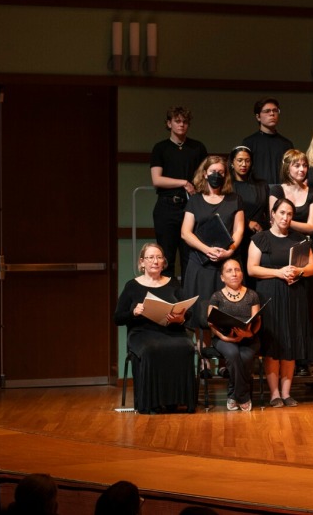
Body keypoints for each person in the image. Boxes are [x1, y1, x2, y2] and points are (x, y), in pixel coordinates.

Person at [248, 197, 313, 408]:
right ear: (273, 214)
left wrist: (299, 271)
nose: (286, 217)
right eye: (282, 213)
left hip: (294, 295)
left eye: (289, 214)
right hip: (270, 295)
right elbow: (252, 268)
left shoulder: (299, 239)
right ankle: (274, 393)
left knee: (291, 344)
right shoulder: (260, 239)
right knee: (273, 345)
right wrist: (278, 272)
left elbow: (312, 268)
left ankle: (286, 393)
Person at [114, 243, 196, 413]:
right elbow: (118, 318)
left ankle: (177, 400)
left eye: (159, 257)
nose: (155, 261)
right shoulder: (132, 286)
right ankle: (151, 402)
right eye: (150, 257)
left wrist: (181, 317)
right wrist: (133, 312)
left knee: (185, 346)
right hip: (142, 333)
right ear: (142, 262)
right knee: (152, 349)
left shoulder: (172, 282)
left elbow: (188, 312)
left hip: (171, 330)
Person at [180, 156, 245, 328]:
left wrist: (229, 251)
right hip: (200, 265)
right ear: (205, 174)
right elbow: (186, 233)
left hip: (226, 264)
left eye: (221, 172)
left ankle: (224, 351)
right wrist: (206, 249)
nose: (217, 175)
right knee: (200, 316)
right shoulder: (195, 200)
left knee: (227, 314)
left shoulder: (234, 199)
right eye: (213, 172)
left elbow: (239, 230)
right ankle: (203, 353)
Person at [150, 106, 208, 277]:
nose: (182, 125)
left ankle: (188, 300)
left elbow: (204, 176)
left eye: (185, 122)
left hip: (191, 206)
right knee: (166, 257)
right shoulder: (161, 148)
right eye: (177, 121)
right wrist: (183, 182)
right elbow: (157, 180)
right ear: (169, 124)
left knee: (189, 257)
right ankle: (167, 301)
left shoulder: (197, 147)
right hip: (167, 206)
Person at [207, 259, 261, 412]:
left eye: (237, 270)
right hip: (223, 338)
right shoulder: (216, 297)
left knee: (244, 357)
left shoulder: (252, 295)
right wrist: (224, 338)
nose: (234, 273)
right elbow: (211, 322)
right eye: (229, 271)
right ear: (222, 277)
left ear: (242, 274)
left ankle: (232, 394)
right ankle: (243, 396)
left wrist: (248, 333)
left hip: (248, 337)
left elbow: (258, 321)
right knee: (232, 353)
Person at [228, 146, 270, 287]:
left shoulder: (261, 185)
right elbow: (226, 211)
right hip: (237, 237)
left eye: (247, 161)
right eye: (239, 160)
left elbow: (268, 210)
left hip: (259, 236)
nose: (243, 164)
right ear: (232, 163)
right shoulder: (227, 186)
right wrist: (247, 222)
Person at [241, 97, 295, 185]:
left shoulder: (286, 144)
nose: (272, 114)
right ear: (258, 117)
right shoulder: (249, 142)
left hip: (281, 192)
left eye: (275, 110)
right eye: (267, 111)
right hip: (256, 191)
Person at [269, 149, 313, 237]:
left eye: (305, 166)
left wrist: (285, 221)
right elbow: (273, 222)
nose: (302, 169)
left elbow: (311, 227)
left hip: (304, 240)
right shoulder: (277, 190)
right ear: (287, 168)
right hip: (280, 238)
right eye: (297, 166)